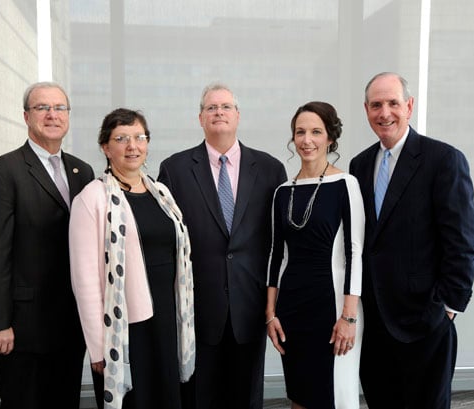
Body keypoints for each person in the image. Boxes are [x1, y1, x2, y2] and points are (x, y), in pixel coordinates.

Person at [349, 72, 474, 409]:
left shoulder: (443, 160)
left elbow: (462, 240)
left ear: (409, 105)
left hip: (426, 321)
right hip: (375, 323)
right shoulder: (360, 165)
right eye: (376, 105)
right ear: (366, 110)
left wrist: (448, 307)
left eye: (393, 103)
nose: (385, 112)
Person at [158, 83, 287, 409]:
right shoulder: (174, 170)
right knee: (200, 398)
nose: (219, 112)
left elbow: (279, 243)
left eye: (226, 107)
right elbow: (167, 243)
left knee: (247, 398)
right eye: (211, 108)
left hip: (251, 306)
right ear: (200, 117)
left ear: (238, 115)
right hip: (198, 309)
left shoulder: (270, 170)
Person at [0, 82, 95, 408]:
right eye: (42, 108)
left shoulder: (84, 172)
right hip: (22, 331)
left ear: (68, 116)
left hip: (71, 326)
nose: (52, 115)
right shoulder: (1, 173)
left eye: (60, 108)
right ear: (26, 116)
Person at [69, 108, 195, 409]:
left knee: (167, 399)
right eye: (121, 138)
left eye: (139, 137)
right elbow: (85, 281)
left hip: (168, 318)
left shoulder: (161, 193)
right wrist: (99, 348)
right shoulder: (92, 198)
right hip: (125, 329)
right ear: (105, 147)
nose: (132, 146)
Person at [266, 101, 365, 409]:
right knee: (299, 394)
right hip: (292, 307)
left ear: (330, 138)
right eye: (300, 132)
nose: (307, 140)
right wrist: (270, 313)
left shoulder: (345, 184)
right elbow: (275, 254)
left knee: (334, 395)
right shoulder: (283, 191)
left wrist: (349, 316)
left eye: (316, 132)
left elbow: (355, 252)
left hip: (334, 306)